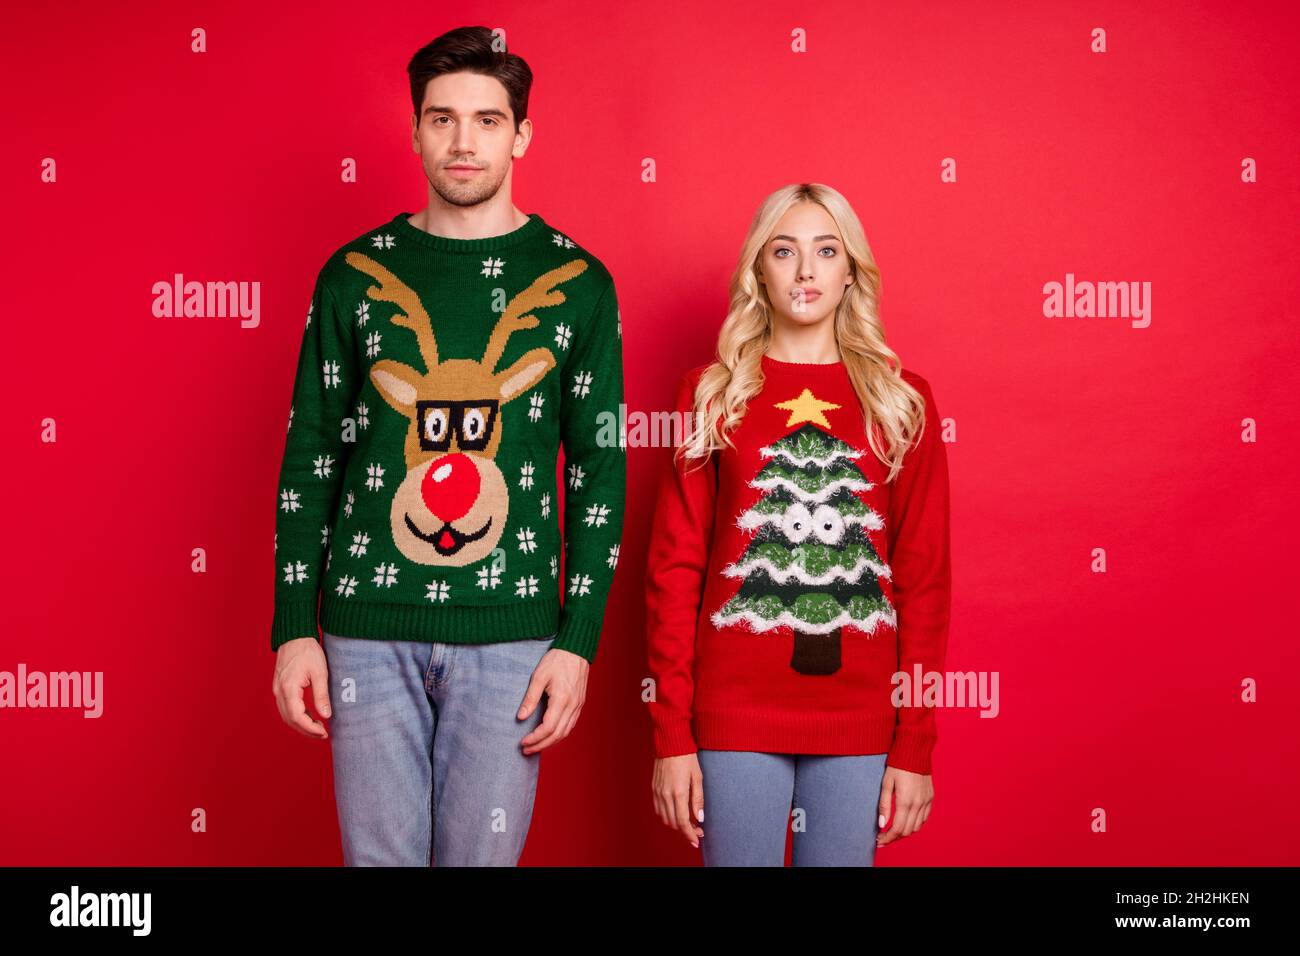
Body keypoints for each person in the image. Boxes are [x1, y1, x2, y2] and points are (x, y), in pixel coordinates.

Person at [269, 26, 626, 866]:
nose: (463, 142)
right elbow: (311, 453)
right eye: (442, 119)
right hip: (366, 631)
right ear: (416, 129)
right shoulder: (353, 273)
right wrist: (293, 628)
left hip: (511, 637)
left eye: (487, 120)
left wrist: (576, 643)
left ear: (522, 135)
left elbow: (600, 474)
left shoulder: (580, 283)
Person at [645, 183, 951, 866]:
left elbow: (925, 582)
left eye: (825, 250)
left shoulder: (904, 404)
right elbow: (674, 572)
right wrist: (671, 735)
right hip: (733, 717)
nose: (806, 271)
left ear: (851, 271)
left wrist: (915, 745)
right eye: (785, 251)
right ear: (760, 268)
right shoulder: (710, 395)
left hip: (861, 722)